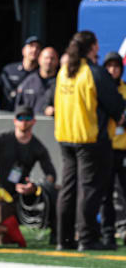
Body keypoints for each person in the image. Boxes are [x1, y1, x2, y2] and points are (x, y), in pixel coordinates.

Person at [54, 31, 126, 251]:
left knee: (68, 189)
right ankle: (87, 238)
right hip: (89, 139)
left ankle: (63, 239)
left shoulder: (65, 71)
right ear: (92, 47)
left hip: (65, 138)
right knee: (89, 190)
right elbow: (117, 106)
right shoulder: (94, 72)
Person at [0, 105, 58, 243]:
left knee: (55, 191)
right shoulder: (1, 138)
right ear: (15, 120)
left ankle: (57, 234)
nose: (24, 121)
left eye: (27, 118)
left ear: (33, 121)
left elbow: (51, 175)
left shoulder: (37, 147)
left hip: (22, 195)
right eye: (20, 117)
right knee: (1, 240)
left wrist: (34, 187)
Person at [99, 51, 126, 249]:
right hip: (106, 148)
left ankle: (124, 230)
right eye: (109, 66)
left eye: (116, 66)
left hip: (123, 149)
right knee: (105, 194)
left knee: (124, 193)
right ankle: (107, 233)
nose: (113, 70)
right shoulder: (101, 90)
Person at [0, 36, 41, 111]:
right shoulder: (9, 70)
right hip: (7, 114)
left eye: (38, 48)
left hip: (31, 116)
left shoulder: (41, 74)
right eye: (31, 46)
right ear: (23, 50)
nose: (34, 50)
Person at [15, 47, 59, 115]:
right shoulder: (28, 82)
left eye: (52, 58)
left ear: (57, 61)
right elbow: (19, 108)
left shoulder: (61, 83)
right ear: (39, 60)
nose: (49, 61)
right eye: (46, 58)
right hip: (31, 123)